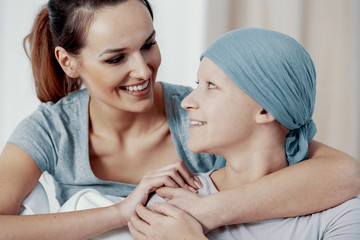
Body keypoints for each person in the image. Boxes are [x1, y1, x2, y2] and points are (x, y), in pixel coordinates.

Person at [0, 0, 359, 238]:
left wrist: (206, 212)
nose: (143, 70)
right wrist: (122, 212)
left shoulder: (204, 121)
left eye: (148, 45)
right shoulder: (50, 130)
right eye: (115, 59)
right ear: (68, 61)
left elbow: (341, 171)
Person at [128, 28, 360, 240]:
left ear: (266, 109)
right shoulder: (170, 204)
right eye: (197, 83)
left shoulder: (341, 211)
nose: (187, 101)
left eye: (210, 85)